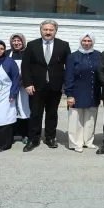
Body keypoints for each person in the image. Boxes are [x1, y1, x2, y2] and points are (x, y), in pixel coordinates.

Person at [21, 20, 71, 151]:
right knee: (35, 114)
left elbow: (69, 67)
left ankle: (50, 137)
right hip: (36, 87)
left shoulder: (63, 45)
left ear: (55, 31)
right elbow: (25, 66)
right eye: (45, 29)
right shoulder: (32, 45)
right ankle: (33, 139)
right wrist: (28, 83)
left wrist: (66, 85)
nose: (48, 32)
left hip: (55, 86)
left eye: (51, 30)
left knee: (52, 114)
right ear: (41, 30)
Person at [64, 32, 102, 153]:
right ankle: (76, 142)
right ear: (80, 42)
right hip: (77, 91)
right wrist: (69, 94)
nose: (86, 43)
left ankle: (88, 141)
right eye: (84, 41)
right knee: (76, 118)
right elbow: (68, 76)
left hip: (93, 91)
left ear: (93, 42)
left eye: (89, 41)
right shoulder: (73, 56)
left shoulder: (98, 55)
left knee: (91, 118)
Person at [0, 40, 20, 152]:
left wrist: (13, 93)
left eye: (1, 49)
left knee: (3, 118)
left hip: (5, 95)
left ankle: (3, 144)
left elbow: (16, 79)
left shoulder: (9, 62)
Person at [6, 33, 30, 144]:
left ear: (23, 42)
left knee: (24, 109)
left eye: (19, 41)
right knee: (11, 109)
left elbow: (31, 69)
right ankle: (10, 134)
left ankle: (25, 133)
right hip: (9, 87)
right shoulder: (6, 54)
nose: (16, 43)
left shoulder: (28, 53)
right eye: (14, 41)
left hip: (24, 87)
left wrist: (23, 81)